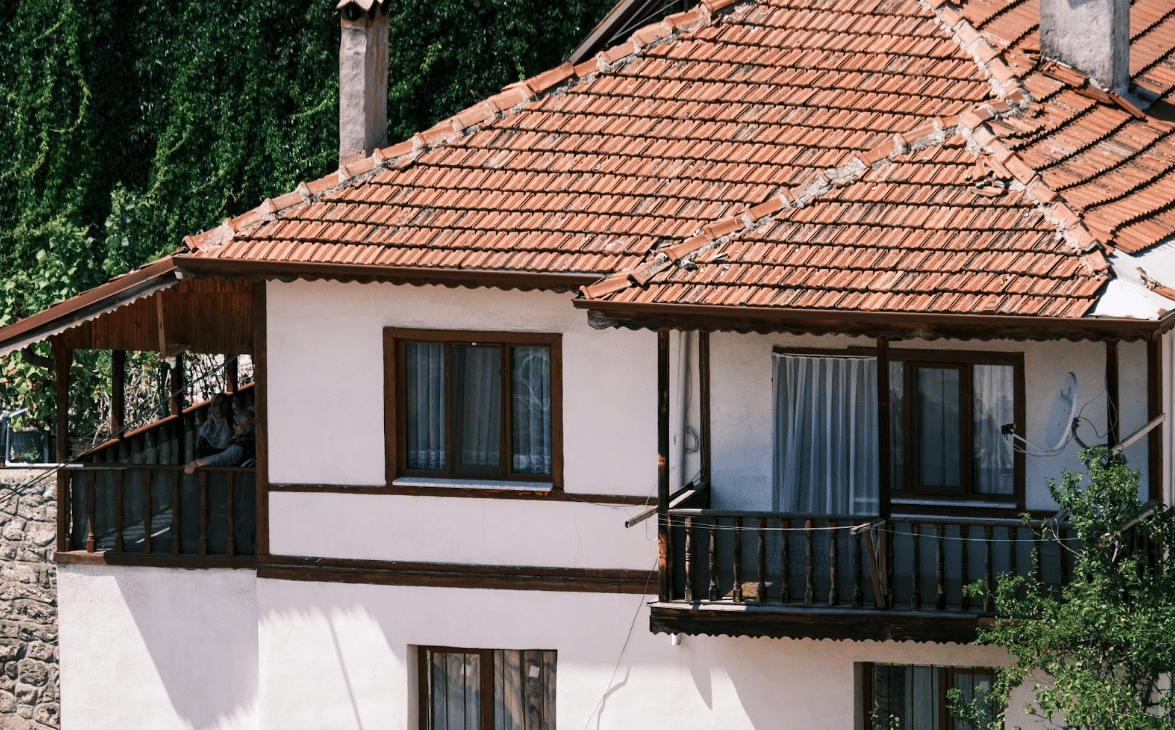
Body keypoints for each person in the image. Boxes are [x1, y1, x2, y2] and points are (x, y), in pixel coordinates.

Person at [185, 409, 255, 473]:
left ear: (245, 425)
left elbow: (223, 458)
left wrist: (197, 463)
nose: (234, 426)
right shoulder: (249, 439)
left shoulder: (243, 444)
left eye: (237, 424)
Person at [194, 393, 234, 458]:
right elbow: (200, 453)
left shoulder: (235, 424)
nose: (219, 407)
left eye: (222, 404)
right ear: (212, 407)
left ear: (228, 406)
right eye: (215, 404)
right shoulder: (206, 427)